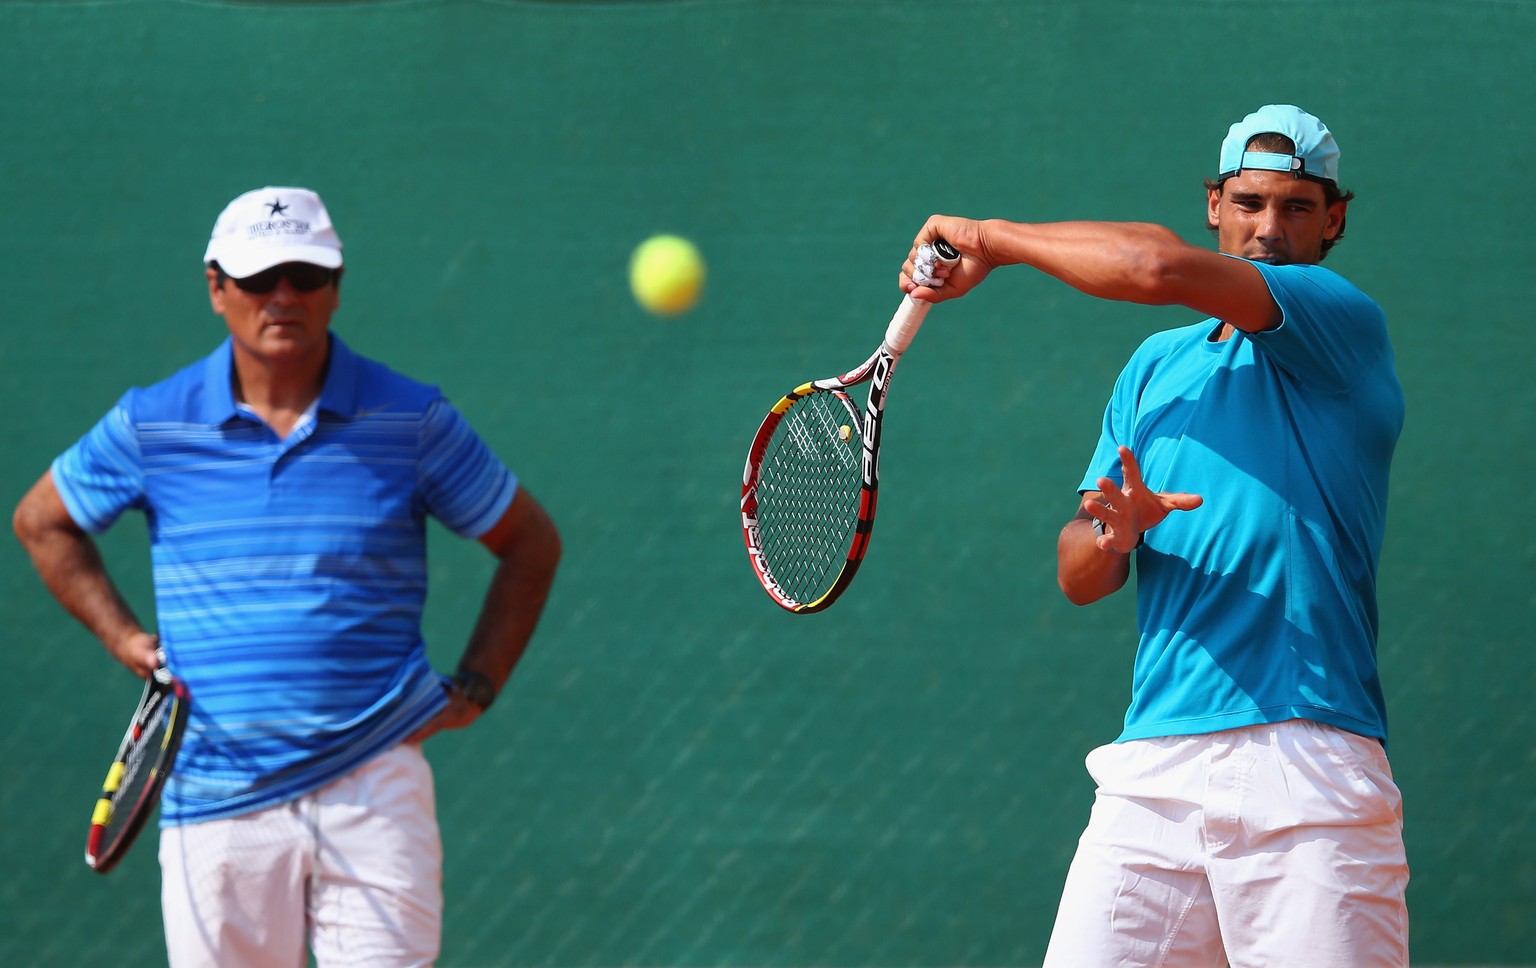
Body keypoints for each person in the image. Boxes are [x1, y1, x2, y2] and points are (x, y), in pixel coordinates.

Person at [899, 106, 1408, 966]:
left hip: (1307, 766)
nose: (1270, 229)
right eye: (1249, 203)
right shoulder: (1155, 368)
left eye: (1296, 208)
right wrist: (1114, 535)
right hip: (1153, 774)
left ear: (1336, 220)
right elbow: (1078, 573)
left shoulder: (1338, 320)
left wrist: (987, 238)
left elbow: (1152, 264)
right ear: (1215, 202)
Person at [12, 186, 563, 967]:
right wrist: (124, 636)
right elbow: (42, 521)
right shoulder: (153, 420)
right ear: (216, 288)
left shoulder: (411, 419)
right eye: (259, 276)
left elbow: (531, 544)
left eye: (306, 275)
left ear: (335, 288)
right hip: (215, 794)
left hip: (375, 784)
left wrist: (478, 681)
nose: (282, 296)